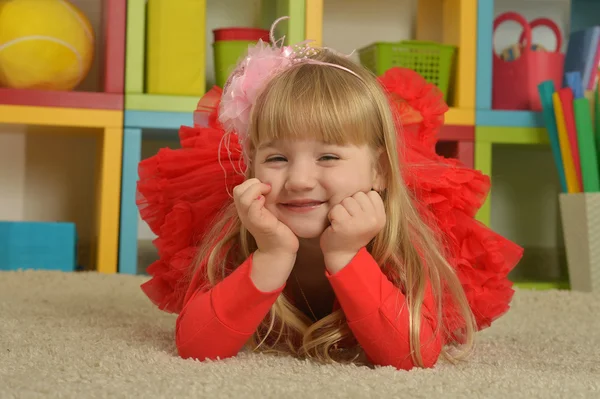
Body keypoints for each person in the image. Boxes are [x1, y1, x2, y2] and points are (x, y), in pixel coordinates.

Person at [136, 17, 523, 371]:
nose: (300, 180)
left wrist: (346, 255)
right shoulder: (236, 231)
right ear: (251, 162)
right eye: (277, 157)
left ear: (381, 170)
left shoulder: (402, 242)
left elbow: (415, 355)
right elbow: (195, 348)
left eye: (328, 156)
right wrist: (271, 254)